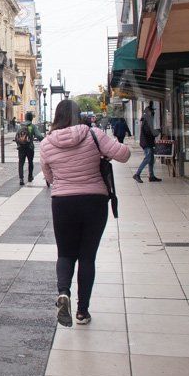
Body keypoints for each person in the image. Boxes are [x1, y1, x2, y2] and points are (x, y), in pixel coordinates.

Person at [41, 99, 131, 326]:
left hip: (62, 203)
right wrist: (108, 153)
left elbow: (49, 177)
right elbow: (124, 155)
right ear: (78, 114)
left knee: (65, 253)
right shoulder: (93, 135)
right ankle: (82, 311)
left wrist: (65, 179)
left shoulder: (46, 144)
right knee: (87, 256)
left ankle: (63, 292)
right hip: (94, 201)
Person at [14, 111, 44, 186]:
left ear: (25, 118)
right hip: (30, 147)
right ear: (31, 118)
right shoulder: (32, 126)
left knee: (21, 163)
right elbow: (39, 136)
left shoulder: (20, 126)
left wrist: (18, 144)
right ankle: (30, 177)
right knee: (30, 162)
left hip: (21, 147)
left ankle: (21, 179)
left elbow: (16, 137)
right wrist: (43, 140)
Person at [133, 105, 161, 183]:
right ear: (149, 112)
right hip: (147, 143)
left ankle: (151, 176)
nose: (154, 112)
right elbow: (149, 132)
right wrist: (157, 131)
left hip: (148, 142)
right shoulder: (147, 120)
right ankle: (137, 174)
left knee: (151, 160)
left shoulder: (147, 119)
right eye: (152, 111)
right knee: (148, 159)